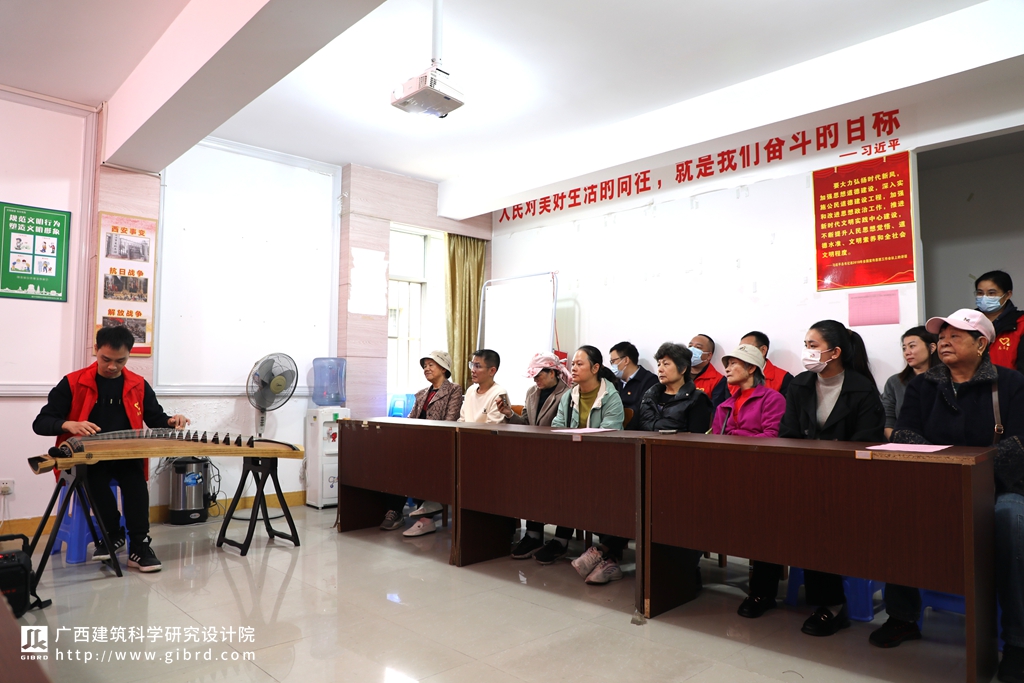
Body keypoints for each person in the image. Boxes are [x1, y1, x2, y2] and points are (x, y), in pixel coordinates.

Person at [870, 310, 1024, 680]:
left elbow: (1019, 442)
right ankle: (903, 616)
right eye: (941, 337)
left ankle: (1017, 642)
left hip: (999, 485)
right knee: (897, 514)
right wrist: (946, 470)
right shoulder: (924, 385)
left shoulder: (1010, 382)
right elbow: (905, 434)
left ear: (981, 343)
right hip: (936, 484)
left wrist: (974, 471)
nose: (943, 343)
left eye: (955, 336)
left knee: (1012, 522)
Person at [741, 320, 884, 632]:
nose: (807, 351)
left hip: (845, 481)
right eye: (806, 344)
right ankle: (762, 591)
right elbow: (788, 432)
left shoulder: (862, 389)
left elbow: (866, 443)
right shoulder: (801, 384)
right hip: (802, 473)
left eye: (813, 345)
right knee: (767, 510)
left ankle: (831, 603)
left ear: (835, 352)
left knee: (819, 518)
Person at [32, 326, 190, 572]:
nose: (112, 367)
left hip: (125, 454)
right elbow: (41, 423)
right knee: (93, 479)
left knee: (136, 482)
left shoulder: (137, 384)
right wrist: (69, 424)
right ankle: (112, 533)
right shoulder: (73, 382)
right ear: (96, 349)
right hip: (87, 458)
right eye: (106, 359)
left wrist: (170, 421)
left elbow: (155, 417)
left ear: (129, 355)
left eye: (120, 361)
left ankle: (139, 546)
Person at [550, 346, 627, 584]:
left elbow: (609, 435)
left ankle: (605, 553)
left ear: (595, 368)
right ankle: (602, 555)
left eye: (579, 364)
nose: (573, 368)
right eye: (572, 363)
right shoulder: (569, 395)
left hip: (604, 463)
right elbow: (558, 426)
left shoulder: (611, 396)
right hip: (574, 461)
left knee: (604, 492)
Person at [498, 353, 574, 562]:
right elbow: (526, 423)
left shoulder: (567, 394)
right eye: (533, 376)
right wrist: (508, 414)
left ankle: (561, 540)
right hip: (534, 452)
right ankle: (533, 535)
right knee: (529, 487)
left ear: (552, 373)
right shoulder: (532, 392)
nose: (535, 380)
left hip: (559, 454)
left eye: (538, 375)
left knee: (563, 492)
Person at [379, 351, 463, 534]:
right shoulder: (421, 394)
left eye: (431, 365)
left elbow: (450, 421)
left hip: (439, 443)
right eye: (425, 366)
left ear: (444, 368)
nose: (426, 369)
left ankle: (424, 515)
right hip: (418, 442)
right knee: (394, 459)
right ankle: (395, 510)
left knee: (418, 462)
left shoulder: (454, 390)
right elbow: (410, 419)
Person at [711, 344, 786, 438]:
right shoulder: (724, 406)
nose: (727, 369)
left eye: (733, 363)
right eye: (727, 365)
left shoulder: (772, 399)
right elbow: (717, 440)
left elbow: (772, 435)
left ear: (751, 368)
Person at [637, 342, 713, 434]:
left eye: (666, 364)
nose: (660, 369)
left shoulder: (697, 398)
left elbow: (696, 437)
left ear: (683, 369)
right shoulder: (649, 396)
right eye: (658, 364)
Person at [880, 326, 938, 441]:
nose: (907, 352)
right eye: (904, 348)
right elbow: (888, 420)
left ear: (932, 347)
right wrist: (899, 443)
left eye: (912, 346)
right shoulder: (895, 382)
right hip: (903, 445)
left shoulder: (944, 380)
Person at [975, 270, 1024, 373]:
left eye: (991, 293)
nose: (984, 298)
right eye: (980, 293)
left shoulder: (1021, 322)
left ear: (1008, 294)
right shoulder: (966, 321)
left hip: (1010, 382)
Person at [608, 341, 659, 430]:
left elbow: (642, 412)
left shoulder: (649, 381)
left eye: (613, 361)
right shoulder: (614, 382)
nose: (612, 365)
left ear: (626, 360)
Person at [457, 349, 506, 424]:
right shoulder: (470, 390)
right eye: (472, 365)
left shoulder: (499, 394)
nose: (472, 370)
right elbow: (462, 420)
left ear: (492, 371)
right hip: (465, 431)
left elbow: (492, 426)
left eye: (477, 366)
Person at [739, 331, 794, 396]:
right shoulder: (733, 377)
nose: (741, 354)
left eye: (746, 349)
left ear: (763, 350)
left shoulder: (784, 378)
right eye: (739, 349)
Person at [689, 334, 729, 407]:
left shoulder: (718, 380)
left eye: (698, 347)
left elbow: (715, 410)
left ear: (709, 355)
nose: (692, 350)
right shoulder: (677, 373)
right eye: (690, 346)